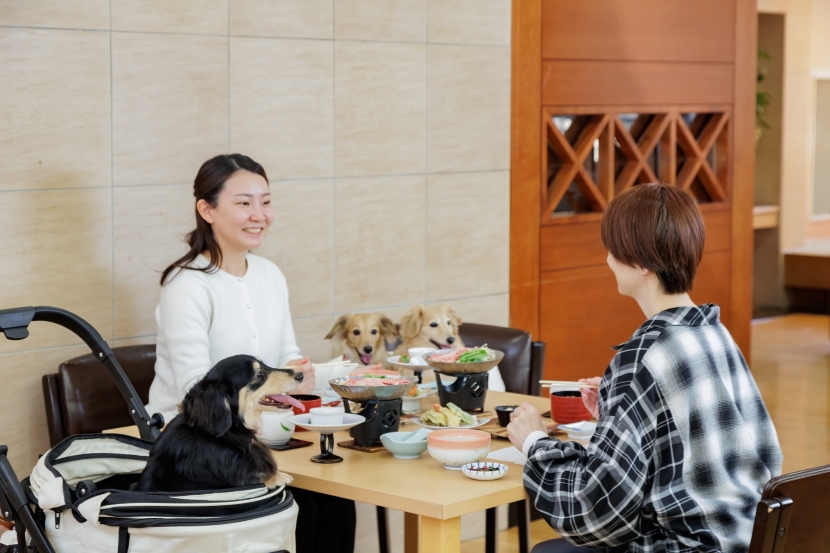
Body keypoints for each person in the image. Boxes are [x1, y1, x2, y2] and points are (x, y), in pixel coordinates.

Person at [507, 183, 783, 553]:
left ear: (640, 264)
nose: (608, 260)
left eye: (613, 249)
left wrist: (535, 442)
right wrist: (615, 410)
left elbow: (598, 513)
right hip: (745, 542)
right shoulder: (714, 332)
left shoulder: (642, 356)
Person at [145, 153, 355, 553]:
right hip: (199, 446)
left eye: (266, 201)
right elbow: (194, 391)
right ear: (207, 210)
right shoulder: (187, 285)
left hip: (263, 436)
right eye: (244, 203)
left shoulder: (270, 275)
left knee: (337, 497)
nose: (259, 214)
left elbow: (287, 361)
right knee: (308, 503)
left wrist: (305, 375)